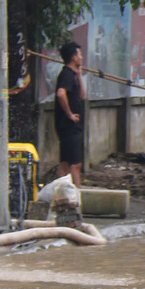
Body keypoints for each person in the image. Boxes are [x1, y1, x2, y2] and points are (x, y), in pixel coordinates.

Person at [54, 41, 87, 186]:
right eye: (79, 54)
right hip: (68, 126)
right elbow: (61, 94)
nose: (82, 57)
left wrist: (80, 75)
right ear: (74, 57)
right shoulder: (66, 74)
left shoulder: (73, 75)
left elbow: (83, 96)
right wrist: (69, 114)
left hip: (73, 126)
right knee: (76, 164)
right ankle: (76, 196)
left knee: (66, 164)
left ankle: (60, 194)